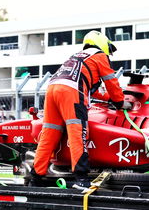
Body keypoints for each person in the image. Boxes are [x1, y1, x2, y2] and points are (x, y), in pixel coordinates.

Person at [29, 30, 132, 187]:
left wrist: (108, 98)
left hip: (52, 89)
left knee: (49, 134)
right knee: (78, 133)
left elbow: (93, 88)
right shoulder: (99, 56)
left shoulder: (77, 57)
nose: (109, 54)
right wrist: (119, 102)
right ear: (103, 44)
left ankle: (35, 177)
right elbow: (111, 82)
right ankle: (81, 179)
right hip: (72, 92)